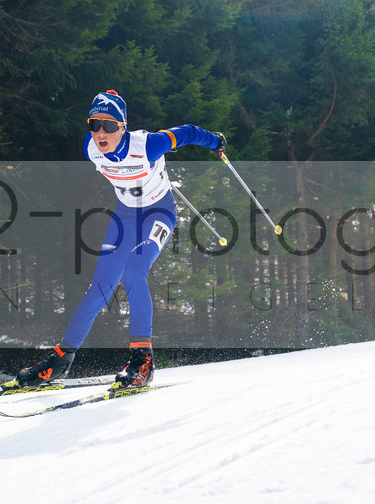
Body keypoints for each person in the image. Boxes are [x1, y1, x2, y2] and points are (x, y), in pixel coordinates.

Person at [17, 90, 226, 389]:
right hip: (125, 217)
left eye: (110, 125)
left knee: (134, 270)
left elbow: (189, 132)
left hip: (159, 213)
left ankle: (143, 360)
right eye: (94, 124)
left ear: (123, 125)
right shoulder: (91, 148)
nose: (101, 132)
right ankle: (60, 360)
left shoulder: (148, 145)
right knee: (100, 286)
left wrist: (215, 141)